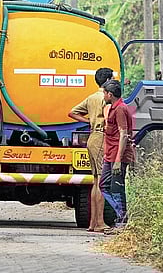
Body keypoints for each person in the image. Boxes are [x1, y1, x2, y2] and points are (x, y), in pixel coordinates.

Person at [68, 67, 113, 232]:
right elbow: (109, 119)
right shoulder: (106, 98)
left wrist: (89, 121)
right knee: (101, 181)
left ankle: (93, 223)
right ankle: (100, 222)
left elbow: (72, 113)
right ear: (108, 80)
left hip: (92, 136)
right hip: (101, 137)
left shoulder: (92, 97)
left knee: (95, 181)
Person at [100, 79, 135, 235]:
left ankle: (122, 221)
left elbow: (124, 135)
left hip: (117, 156)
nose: (103, 95)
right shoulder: (114, 108)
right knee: (104, 186)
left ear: (110, 94)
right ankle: (121, 218)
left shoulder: (120, 109)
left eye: (104, 93)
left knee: (116, 189)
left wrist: (118, 161)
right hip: (110, 154)